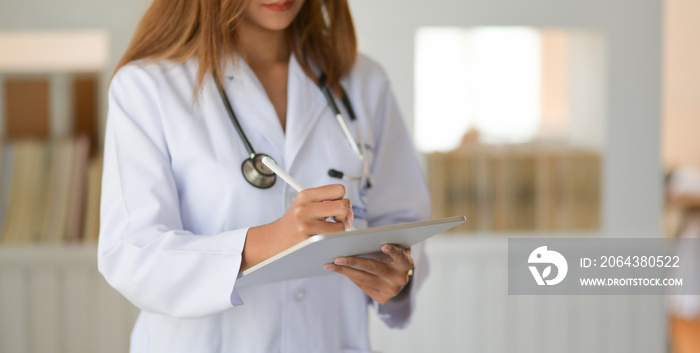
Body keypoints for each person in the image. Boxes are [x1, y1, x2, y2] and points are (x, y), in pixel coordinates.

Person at [97, 0, 430, 352]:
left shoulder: (363, 81)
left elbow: (403, 222)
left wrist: (399, 279)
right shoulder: (147, 87)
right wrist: (267, 241)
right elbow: (133, 253)